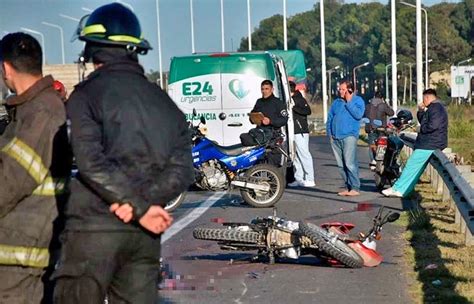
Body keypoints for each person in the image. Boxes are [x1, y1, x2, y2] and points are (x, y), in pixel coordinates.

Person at [52, 3, 194, 303]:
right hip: (143, 237)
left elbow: (90, 164)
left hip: (94, 230)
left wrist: (134, 205)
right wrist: (143, 206)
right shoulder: (162, 101)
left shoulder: (85, 96)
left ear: (93, 49)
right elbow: (182, 170)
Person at [0, 32, 71, 303]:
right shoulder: (33, 110)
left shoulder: (40, 113)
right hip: (23, 246)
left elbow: (9, 181)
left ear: (6, 67)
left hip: (21, 253)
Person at [382, 89, 448, 198]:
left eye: (423, 99)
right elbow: (425, 121)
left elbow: (432, 125)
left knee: (411, 166)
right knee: (416, 169)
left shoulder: (436, 108)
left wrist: (420, 129)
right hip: (432, 142)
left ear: (427, 97)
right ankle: (405, 190)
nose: (423, 101)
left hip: (430, 143)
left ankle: (397, 188)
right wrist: (421, 111)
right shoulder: (434, 108)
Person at [326, 80, 365, 196]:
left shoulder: (357, 101)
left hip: (349, 135)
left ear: (350, 90)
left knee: (349, 163)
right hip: (335, 137)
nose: (340, 91)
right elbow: (330, 117)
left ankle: (355, 187)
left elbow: (358, 115)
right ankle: (348, 186)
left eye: (343, 89)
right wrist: (329, 133)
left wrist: (349, 102)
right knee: (341, 164)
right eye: (340, 89)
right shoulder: (336, 102)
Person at [240, 79, 288, 165]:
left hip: (273, 135)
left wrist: (270, 121)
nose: (264, 91)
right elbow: (253, 114)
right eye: (262, 89)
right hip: (260, 135)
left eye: (267, 89)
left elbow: (284, 119)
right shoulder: (259, 102)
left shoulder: (278, 103)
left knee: (272, 164)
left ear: (272, 89)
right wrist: (253, 118)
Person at [287, 81, 315, 187]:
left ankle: (310, 178)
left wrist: (294, 107)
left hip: (300, 131)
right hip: (291, 130)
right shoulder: (287, 100)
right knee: (295, 156)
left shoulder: (299, 99)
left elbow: (307, 111)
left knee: (304, 154)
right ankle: (298, 178)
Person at [364, 91, 394, 167]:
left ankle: (373, 161)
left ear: (374, 97)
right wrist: (386, 104)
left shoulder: (368, 106)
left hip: (371, 129)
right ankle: (382, 160)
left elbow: (364, 115)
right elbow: (391, 113)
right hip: (381, 130)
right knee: (383, 144)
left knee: (372, 145)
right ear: (382, 98)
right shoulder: (383, 105)